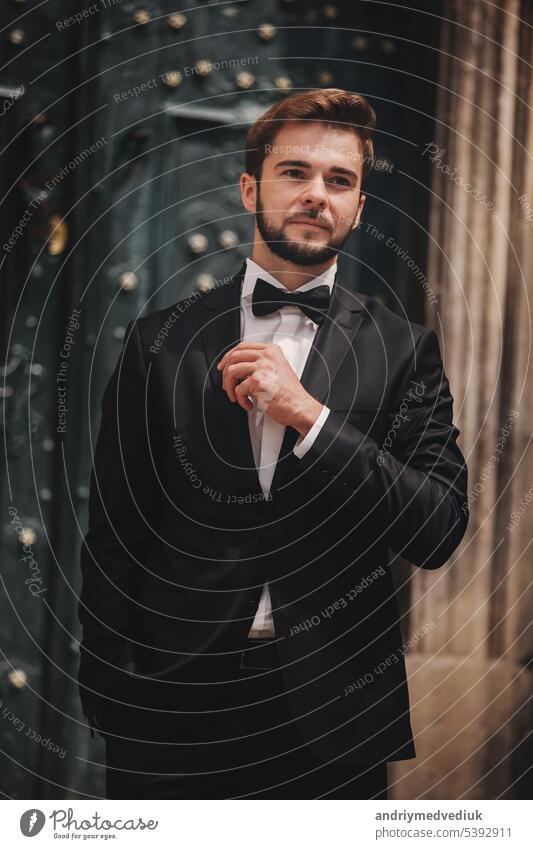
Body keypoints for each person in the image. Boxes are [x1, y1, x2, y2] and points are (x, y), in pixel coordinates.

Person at [77, 88, 469, 799]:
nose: (316, 194)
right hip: (169, 718)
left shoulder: (405, 351)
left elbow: (438, 527)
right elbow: (115, 535)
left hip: (336, 719)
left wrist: (311, 419)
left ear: (357, 206)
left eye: (339, 180)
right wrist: (112, 692)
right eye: (295, 172)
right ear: (250, 186)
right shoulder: (158, 342)